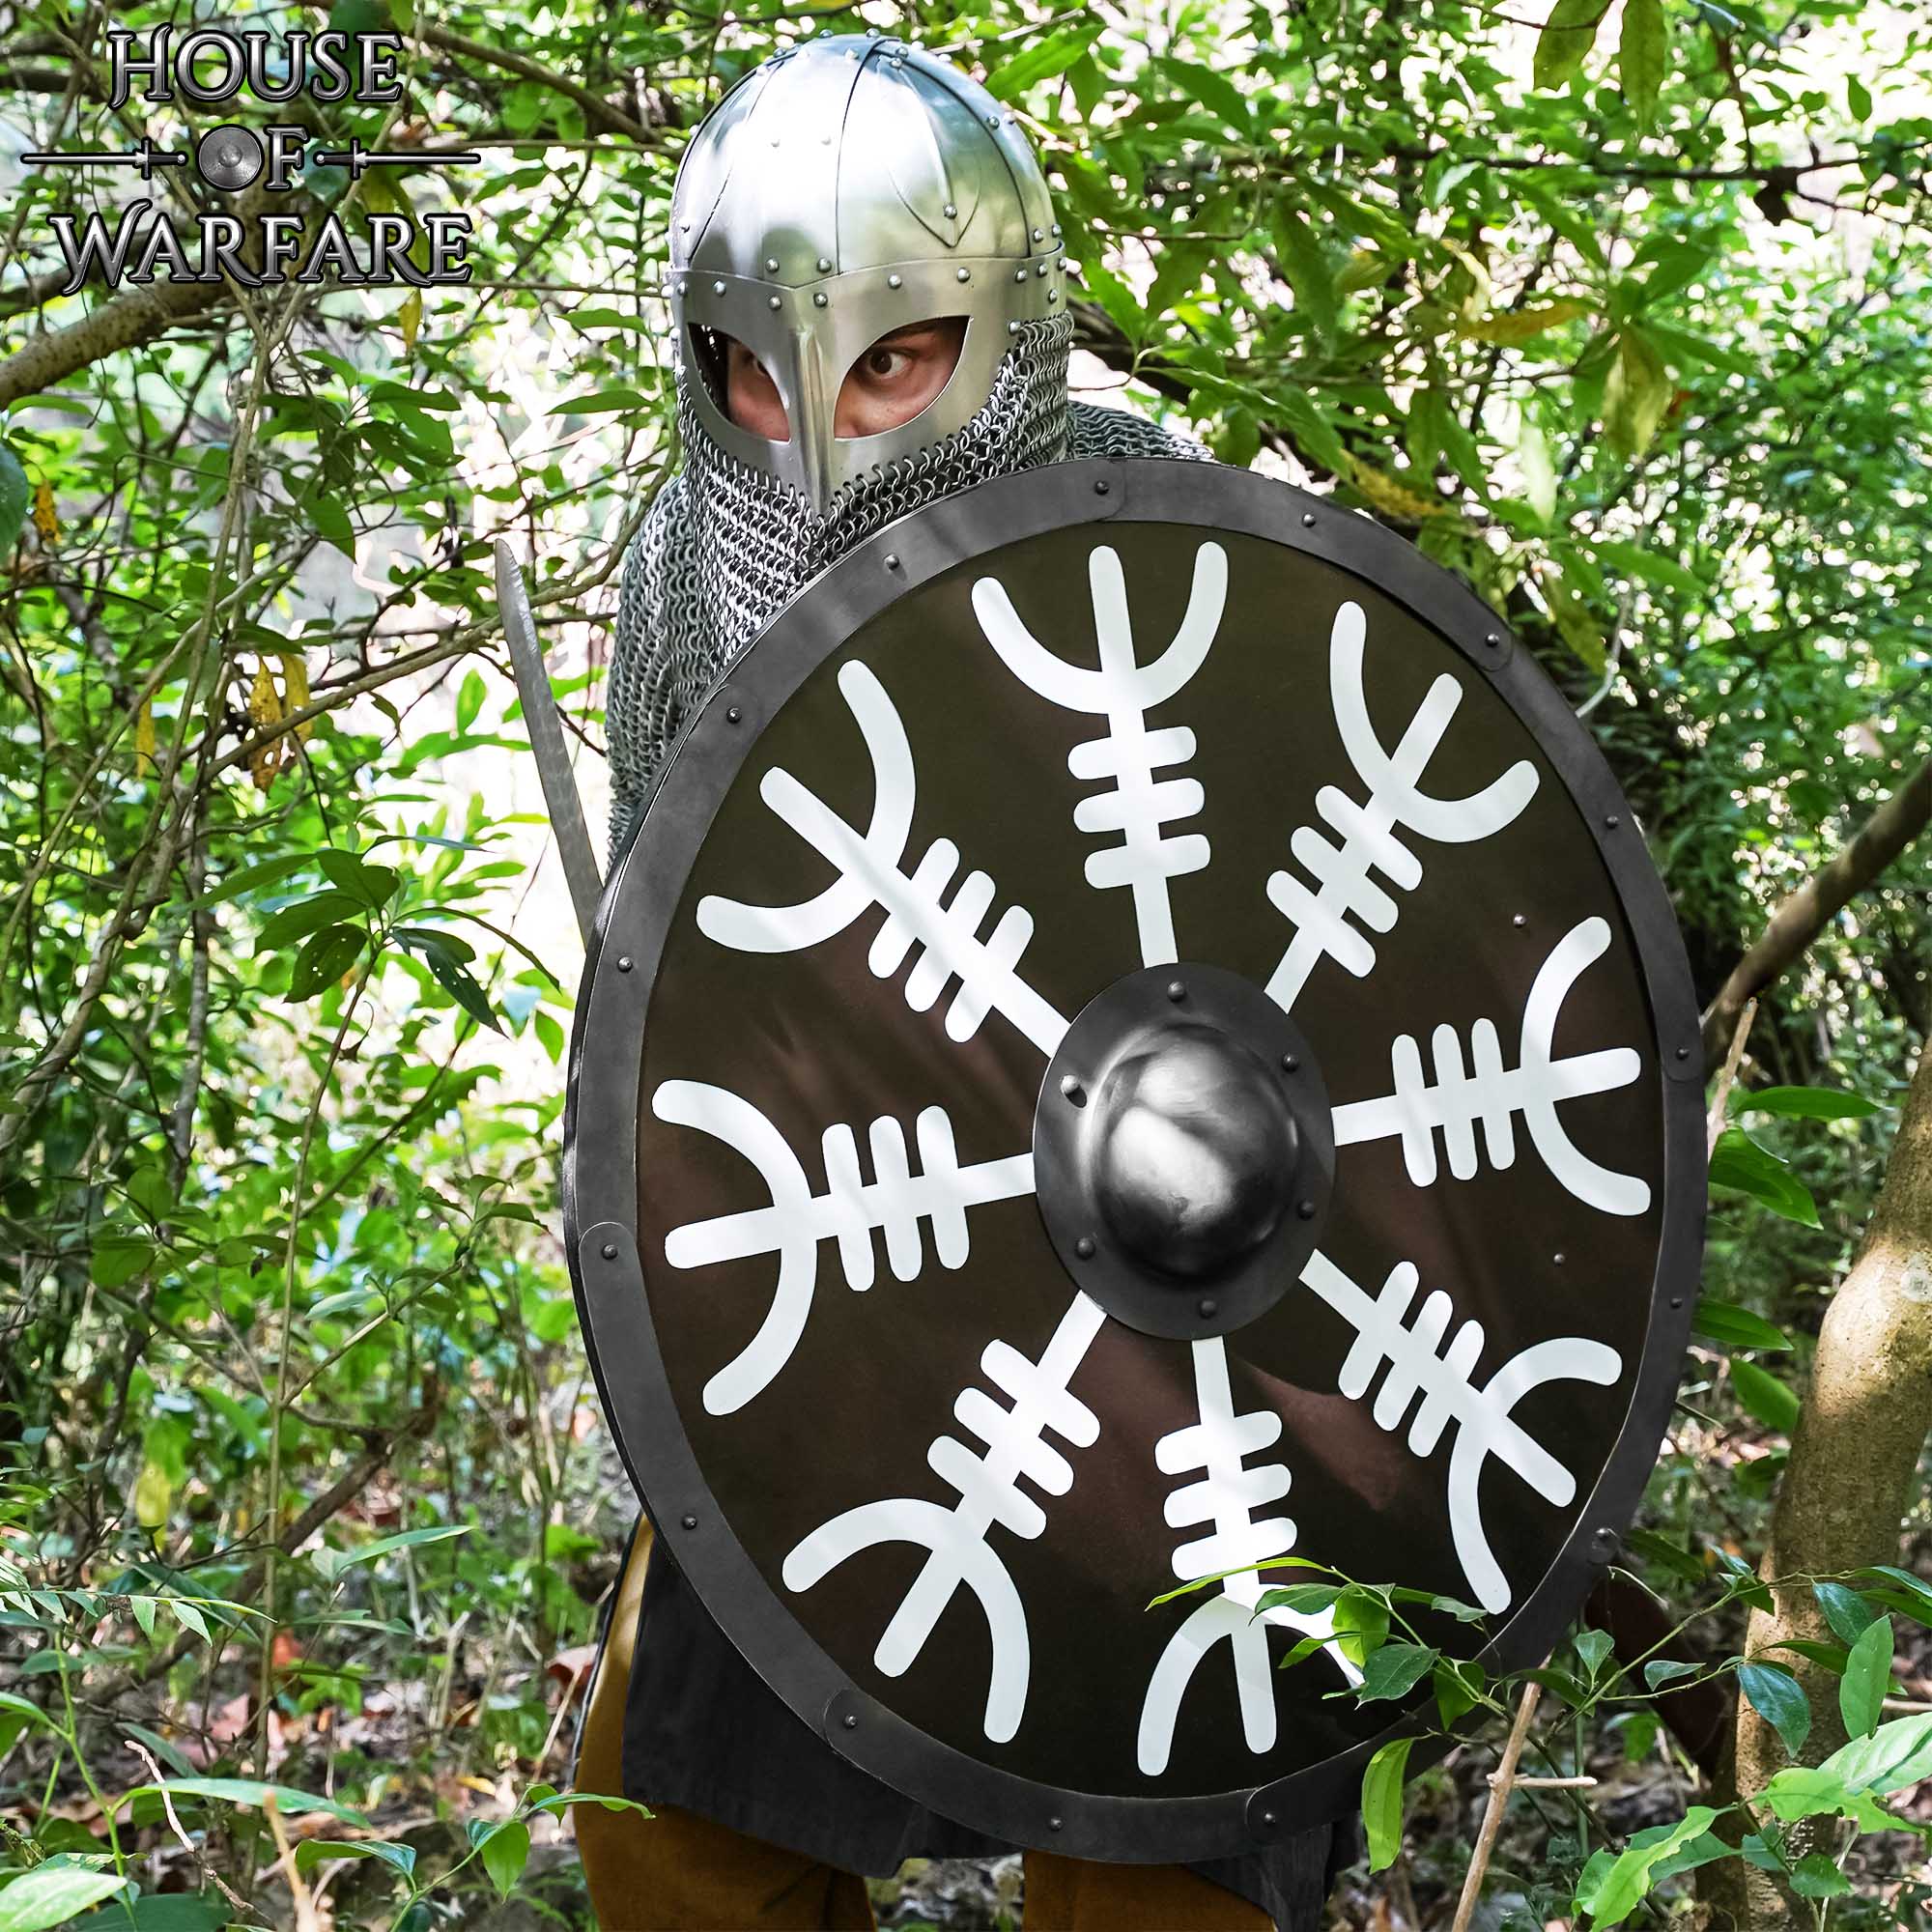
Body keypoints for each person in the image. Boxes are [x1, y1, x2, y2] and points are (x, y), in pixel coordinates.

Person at [578, 31, 1348, 1931]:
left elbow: (1323, 980)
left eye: (889, 359)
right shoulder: (678, 582)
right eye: (756, 375)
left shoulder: (1162, 529)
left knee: (1165, 1853)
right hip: (852, 1279)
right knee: (673, 1824)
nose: (820, 430)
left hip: (1187, 1308)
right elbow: (685, 1004)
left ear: (1005, 329)